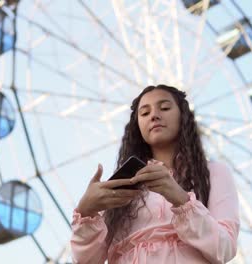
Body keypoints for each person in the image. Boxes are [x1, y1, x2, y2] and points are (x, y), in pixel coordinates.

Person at [70, 84, 240, 263]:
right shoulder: (124, 184)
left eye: (165, 108)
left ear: (183, 116)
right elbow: (86, 261)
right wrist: (86, 211)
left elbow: (224, 249)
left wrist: (181, 200)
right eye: (144, 113)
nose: (154, 115)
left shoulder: (213, 173)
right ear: (138, 126)